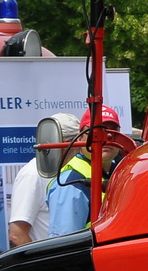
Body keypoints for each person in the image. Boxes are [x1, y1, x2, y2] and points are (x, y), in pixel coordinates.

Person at [48, 106, 119, 238]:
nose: (107, 136)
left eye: (113, 130)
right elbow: (64, 245)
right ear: (80, 138)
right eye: (98, 131)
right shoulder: (70, 182)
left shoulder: (122, 173)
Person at [10, 112, 78, 249]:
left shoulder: (70, 171)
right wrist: (45, 266)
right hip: (50, 264)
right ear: (66, 143)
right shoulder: (32, 174)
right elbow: (17, 234)